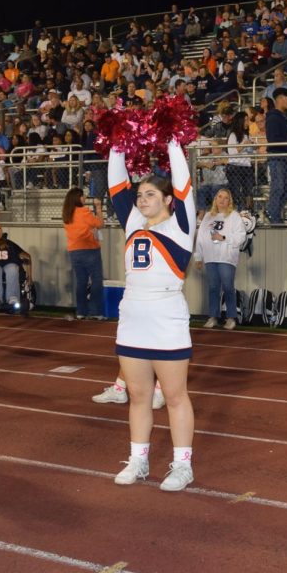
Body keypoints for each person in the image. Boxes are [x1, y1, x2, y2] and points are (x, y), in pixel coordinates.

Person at [107, 139, 197, 491]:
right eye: (140, 195)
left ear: (168, 201)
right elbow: (116, 182)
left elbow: (185, 183)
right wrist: (116, 141)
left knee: (175, 396)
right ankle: (139, 460)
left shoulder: (181, 227)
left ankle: (182, 465)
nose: (142, 200)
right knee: (139, 396)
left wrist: (174, 141)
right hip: (132, 317)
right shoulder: (132, 222)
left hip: (167, 316)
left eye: (150, 195)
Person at [194, 188, 246, 329]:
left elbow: (241, 237)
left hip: (226, 258)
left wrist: (223, 238)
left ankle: (231, 317)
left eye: (226, 198)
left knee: (228, 287)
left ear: (230, 201)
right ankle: (213, 316)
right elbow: (201, 237)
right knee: (213, 288)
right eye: (220, 197)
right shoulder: (208, 217)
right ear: (215, 199)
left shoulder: (234, 216)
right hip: (210, 257)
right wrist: (198, 256)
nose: (222, 200)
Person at [62, 187, 106, 320]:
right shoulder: (84, 211)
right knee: (96, 280)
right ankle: (95, 311)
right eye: (83, 196)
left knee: (81, 281)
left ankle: (81, 311)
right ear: (78, 198)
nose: (85, 198)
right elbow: (99, 224)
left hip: (74, 251)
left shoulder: (67, 214)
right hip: (89, 249)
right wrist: (98, 207)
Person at [265, 87, 287, 225]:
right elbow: (273, 139)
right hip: (277, 156)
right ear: (279, 99)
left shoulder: (283, 116)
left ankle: (273, 211)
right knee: (278, 186)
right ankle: (273, 215)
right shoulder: (273, 116)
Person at [0, 224, 32, 312]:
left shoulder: (8, 244)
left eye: (0, 228)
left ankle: (12, 297)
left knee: (12, 268)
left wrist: (30, 278)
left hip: (9, 267)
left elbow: (27, 257)